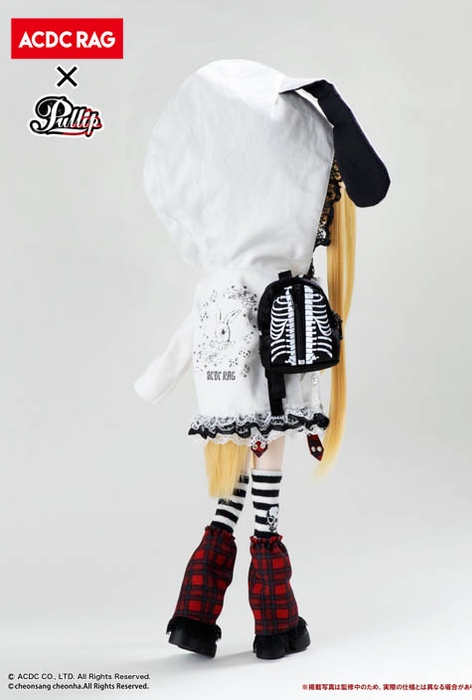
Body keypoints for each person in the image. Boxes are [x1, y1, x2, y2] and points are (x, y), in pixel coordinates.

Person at [134, 59, 390, 659]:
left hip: (222, 391)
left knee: (230, 496)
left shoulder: (220, 280)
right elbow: (371, 188)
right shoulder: (291, 287)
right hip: (276, 377)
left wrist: (156, 378)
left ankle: (195, 615)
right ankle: (275, 624)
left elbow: (190, 335)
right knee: (264, 503)